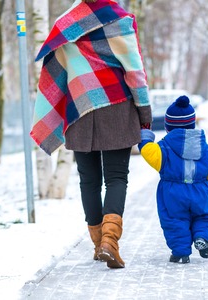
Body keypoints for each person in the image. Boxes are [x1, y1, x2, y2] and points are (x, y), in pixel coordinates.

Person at [30, 0, 152, 269]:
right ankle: (110, 241)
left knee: (89, 182)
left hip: (79, 109)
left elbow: (56, 72)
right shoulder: (119, 21)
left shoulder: (65, 26)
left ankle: (99, 246)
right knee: (117, 178)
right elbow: (135, 74)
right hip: (117, 107)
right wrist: (144, 112)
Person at [138, 95, 208, 263]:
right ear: (192, 123)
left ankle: (181, 253)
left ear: (168, 126)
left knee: (175, 220)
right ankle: (203, 237)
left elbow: (148, 151)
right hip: (202, 192)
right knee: (204, 217)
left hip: (173, 193)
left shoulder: (163, 149)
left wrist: (145, 137)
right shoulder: (206, 149)